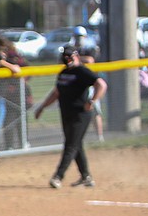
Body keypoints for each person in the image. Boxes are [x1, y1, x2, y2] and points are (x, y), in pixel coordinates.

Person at [33, 45, 107, 189]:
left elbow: (101, 84)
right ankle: (86, 176)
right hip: (66, 113)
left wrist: (92, 101)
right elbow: (56, 93)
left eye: (70, 56)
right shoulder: (63, 73)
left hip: (81, 114)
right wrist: (42, 107)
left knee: (70, 145)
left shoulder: (82, 71)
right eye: (65, 57)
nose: (67, 60)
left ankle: (58, 176)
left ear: (76, 56)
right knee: (75, 144)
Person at [0, 35, 28, 152]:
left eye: (3, 51)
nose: (0, 54)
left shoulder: (7, 61)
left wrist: (3, 62)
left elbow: (17, 70)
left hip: (0, 97)